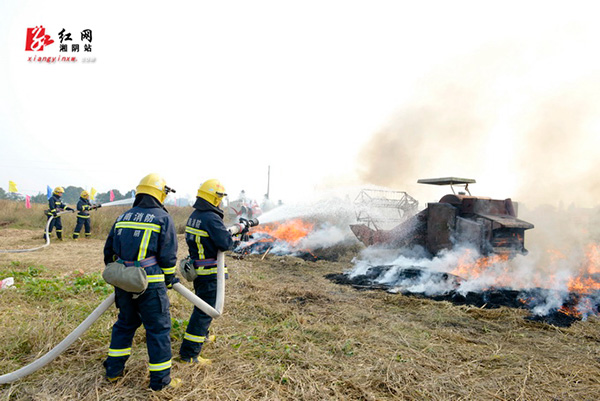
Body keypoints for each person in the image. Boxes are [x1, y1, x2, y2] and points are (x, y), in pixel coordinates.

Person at [102, 173, 180, 391]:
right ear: (159, 194)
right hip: (151, 284)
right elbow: (168, 256)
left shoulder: (122, 217)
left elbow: (108, 252)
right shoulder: (162, 218)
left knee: (125, 325)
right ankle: (161, 383)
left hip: (124, 282)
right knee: (157, 331)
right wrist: (169, 278)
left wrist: (122, 274)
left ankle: (113, 373)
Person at [179, 179, 234, 365]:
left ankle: (203, 335)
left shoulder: (196, 215)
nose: (220, 202)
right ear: (213, 198)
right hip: (210, 272)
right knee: (204, 311)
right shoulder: (211, 218)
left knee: (203, 306)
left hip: (199, 271)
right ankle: (189, 354)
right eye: (219, 198)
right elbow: (225, 243)